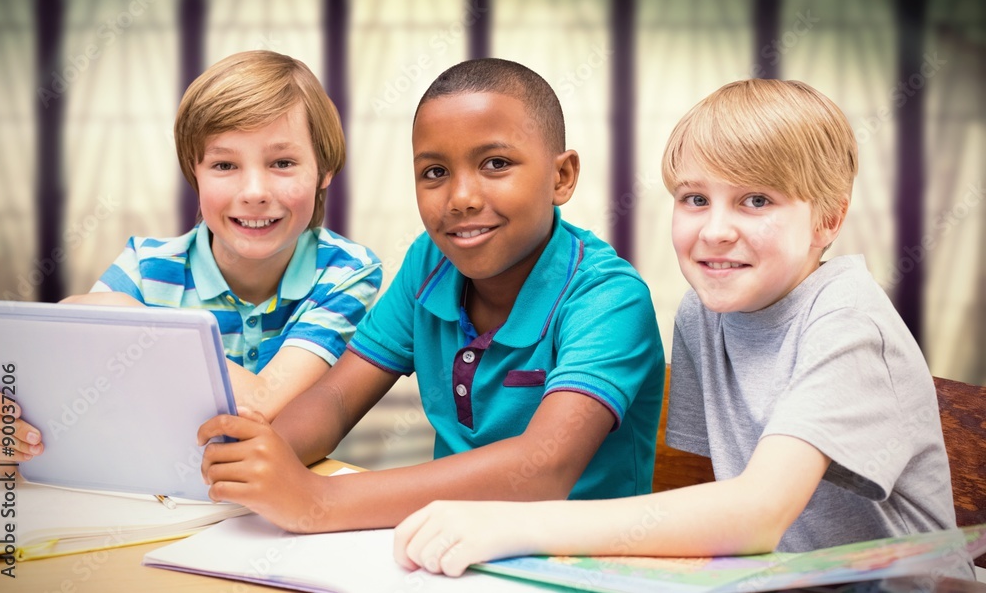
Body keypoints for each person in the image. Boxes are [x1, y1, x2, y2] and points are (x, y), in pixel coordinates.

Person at [392, 78, 966, 580]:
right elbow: (717, 497)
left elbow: (754, 513)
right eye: (695, 198)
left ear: (830, 219)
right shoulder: (704, 312)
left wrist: (509, 523)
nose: (715, 231)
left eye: (755, 200)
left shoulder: (848, 324)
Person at [195, 58, 665, 534]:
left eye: (496, 164)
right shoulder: (431, 263)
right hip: (444, 551)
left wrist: (319, 499)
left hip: (579, 563)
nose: (460, 197)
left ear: (561, 177)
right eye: (435, 171)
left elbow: (541, 470)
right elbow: (337, 398)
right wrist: (261, 460)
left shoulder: (609, 298)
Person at [0, 51, 382, 465]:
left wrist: (141, 325)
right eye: (224, 164)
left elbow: (266, 407)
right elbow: (69, 379)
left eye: (282, 163)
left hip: (289, 495)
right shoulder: (145, 267)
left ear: (324, 171)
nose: (253, 191)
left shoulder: (347, 272)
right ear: (194, 172)